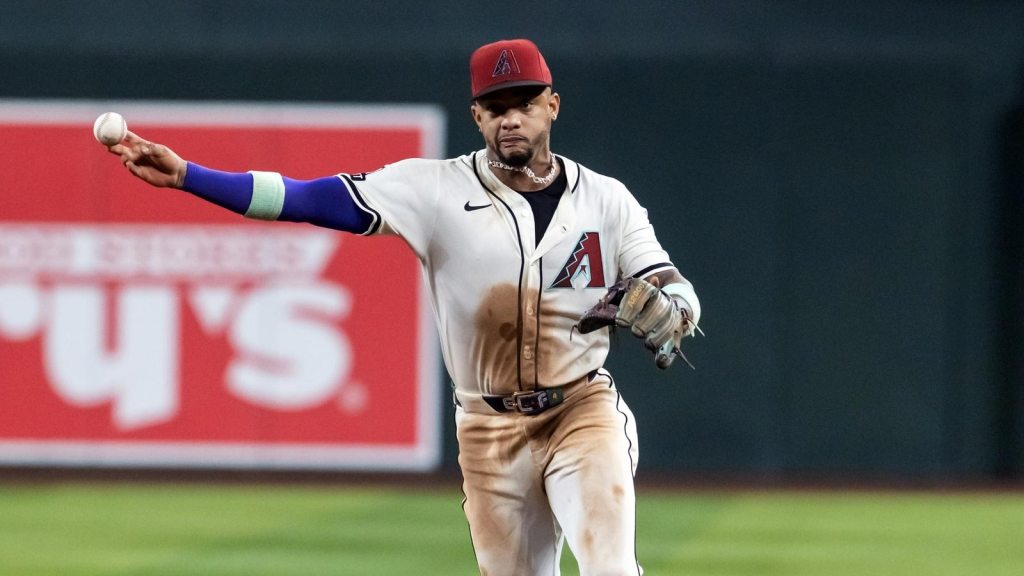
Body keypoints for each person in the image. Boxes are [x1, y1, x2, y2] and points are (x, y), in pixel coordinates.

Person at [107, 38, 701, 576]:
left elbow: (673, 287)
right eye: (496, 107)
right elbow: (307, 199)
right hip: (489, 428)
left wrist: (674, 309)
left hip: (581, 410)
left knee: (610, 570)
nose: (511, 118)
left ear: (553, 105)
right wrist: (190, 176)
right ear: (477, 117)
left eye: (525, 102)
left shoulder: (607, 200)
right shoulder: (432, 189)